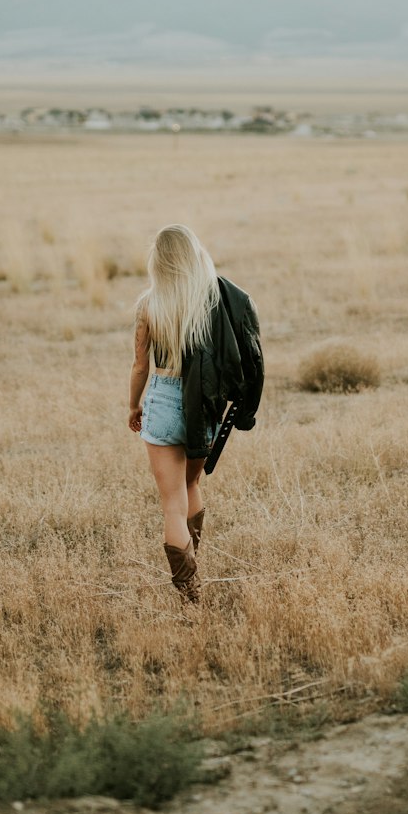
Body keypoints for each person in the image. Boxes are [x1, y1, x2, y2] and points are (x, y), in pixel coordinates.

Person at [128, 224, 264, 602]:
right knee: (191, 486)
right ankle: (193, 565)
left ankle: (190, 593)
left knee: (172, 503)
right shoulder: (209, 301)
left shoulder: (148, 304)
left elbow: (140, 366)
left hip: (161, 401)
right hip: (201, 404)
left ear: (159, 263)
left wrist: (132, 405)